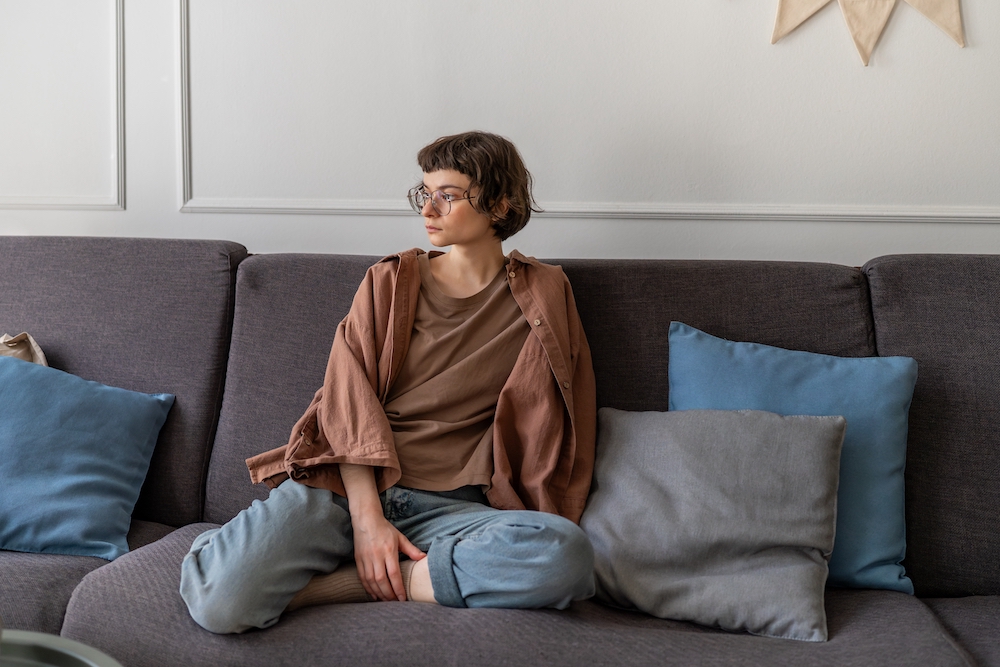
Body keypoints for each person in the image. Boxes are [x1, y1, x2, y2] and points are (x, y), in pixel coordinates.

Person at [179, 131, 597, 634]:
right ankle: (246, 551)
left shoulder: (546, 291)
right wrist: (368, 520)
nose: (429, 209)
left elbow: (568, 414)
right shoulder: (391, 281)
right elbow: (346, 403)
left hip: (454, 512)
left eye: (448, 195)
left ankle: (364, 581)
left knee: (566, 554)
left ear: (500, 204)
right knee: (219, 603)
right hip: (347, 490)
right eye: (425, 193)